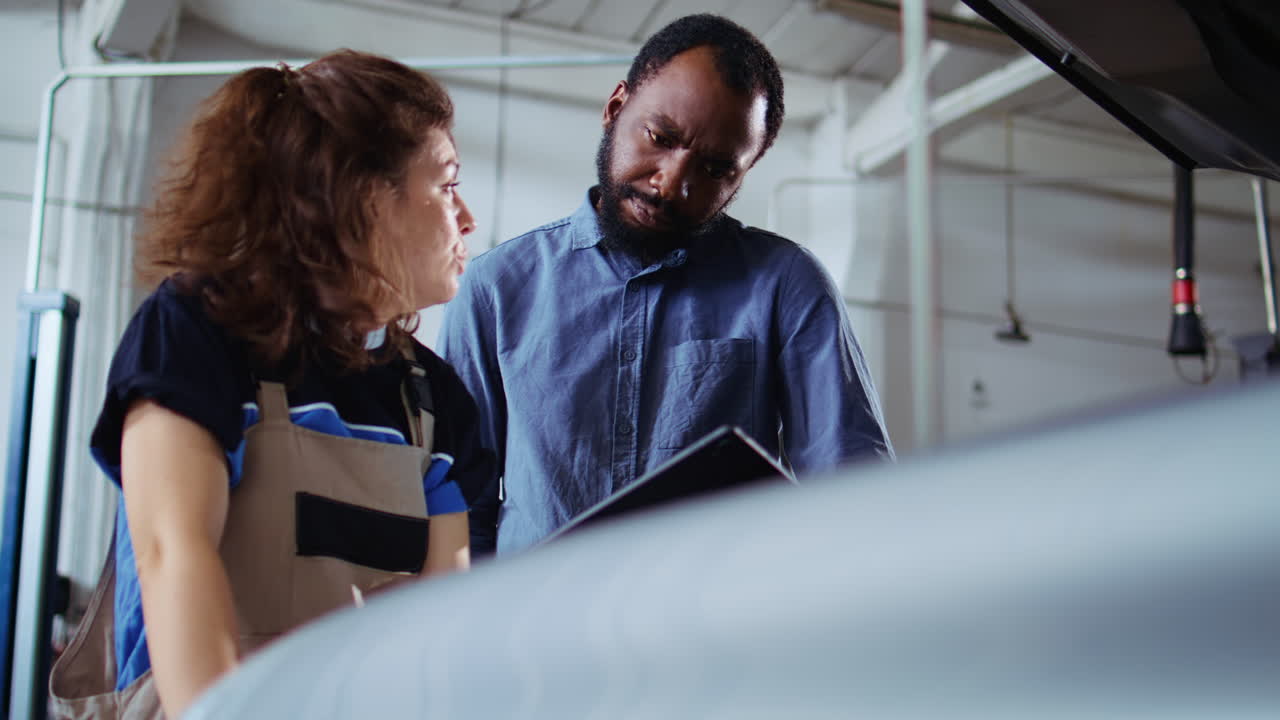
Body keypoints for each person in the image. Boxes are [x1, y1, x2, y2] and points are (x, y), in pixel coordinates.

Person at [49, 50, 495, 719]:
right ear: (362, 196)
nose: (467, 221)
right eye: (446, 184)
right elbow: (174, 552)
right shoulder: (198, 331)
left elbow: (439, 619)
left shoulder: (436, 400)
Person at [438, 14, 893, 557]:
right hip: (535, 632)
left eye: (716, 168)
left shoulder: (786, 286)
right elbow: (459, 516)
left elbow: (851, 500)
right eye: (661, 138)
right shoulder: (495, 289)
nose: (673, 183)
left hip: (714, 630)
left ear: (744, 173)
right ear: (614, 110)